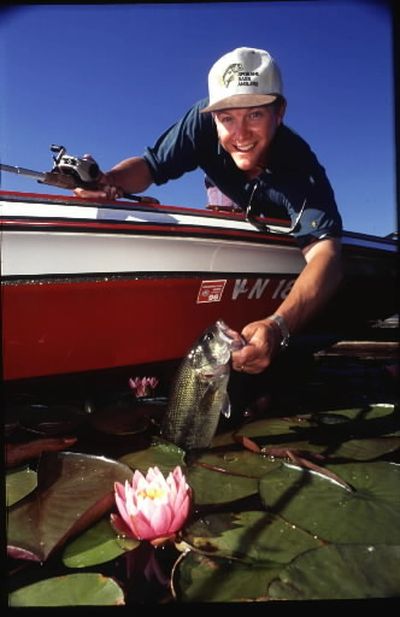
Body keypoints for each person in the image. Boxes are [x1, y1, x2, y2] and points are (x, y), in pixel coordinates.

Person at [74, 47, 343, 375]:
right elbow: (150, 166)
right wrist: (109, 180)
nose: (240, 134)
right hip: (230, 200)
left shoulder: (301, 168)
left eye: (255, 114)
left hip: (285, 221)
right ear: (212, 115)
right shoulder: (199, 121)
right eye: (226, 117)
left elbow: (326, 257)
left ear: (279, 111)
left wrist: (277, 326)